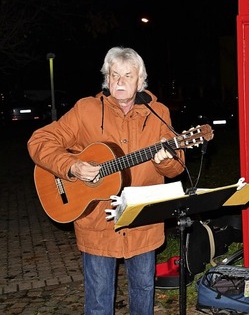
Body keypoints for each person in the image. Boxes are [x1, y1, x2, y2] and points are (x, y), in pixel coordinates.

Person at [27, 47, 188, 315]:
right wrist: (72, 166)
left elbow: (176, 168)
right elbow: (39, 141)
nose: (120, 81)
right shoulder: (86, 109)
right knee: (99, 299)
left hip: (143, 222)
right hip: (98, 224)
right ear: (107, 79)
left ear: (140, 80)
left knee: (143, 292)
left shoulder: (158, 112)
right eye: (114, 75)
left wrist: (164, 160)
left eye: (128, 75)